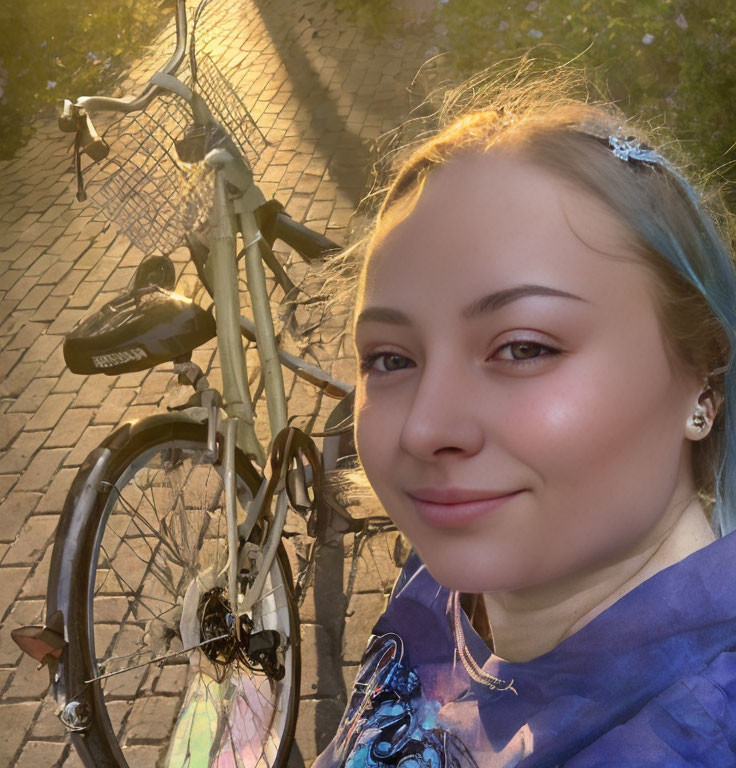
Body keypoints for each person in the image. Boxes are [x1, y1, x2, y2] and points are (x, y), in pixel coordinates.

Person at [313, 67, 736, 767]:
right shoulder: (472, 564)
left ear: (703, 375)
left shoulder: (691, 735)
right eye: (390, 359)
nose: (425, 429)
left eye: (522, 348)